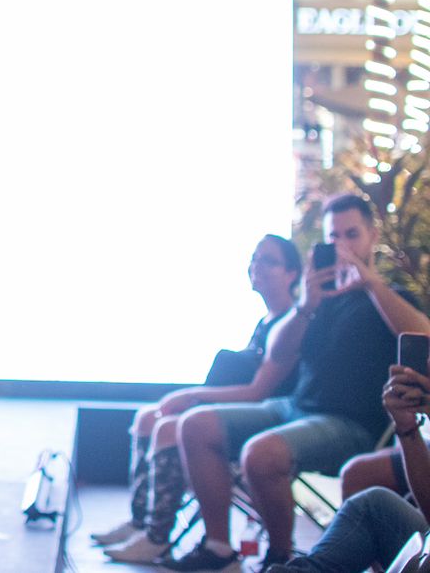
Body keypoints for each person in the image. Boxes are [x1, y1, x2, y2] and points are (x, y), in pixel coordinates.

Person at [165, 195, 430, 571]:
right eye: (333, 237)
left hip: (349, 423)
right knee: (196, 424)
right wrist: (306, 303)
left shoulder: (391, 298)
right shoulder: (318, 302)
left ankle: (279, 554)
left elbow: (424, 334)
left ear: (373, 236)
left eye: (351, 234)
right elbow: (277, 355)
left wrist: (371, 284)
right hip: (295, 407)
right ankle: (218, 548)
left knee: (261, 453)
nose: (342, 245)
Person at [93, 234, 301, 563]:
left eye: (269, 261)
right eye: (255, 258)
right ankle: (141, 522)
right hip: (235, 411)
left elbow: (258, 392)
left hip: (263, 419)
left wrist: (193, 395)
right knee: (148, 418)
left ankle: (159, 537)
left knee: (168, 428)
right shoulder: (264, 322)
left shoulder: (292, 324)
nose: (257, 266)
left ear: (292, 274)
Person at [260, 365, 430, 573]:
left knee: (265, 454)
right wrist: (407, 428)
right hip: (299, 405)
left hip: (348, 420)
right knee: (373, 504)